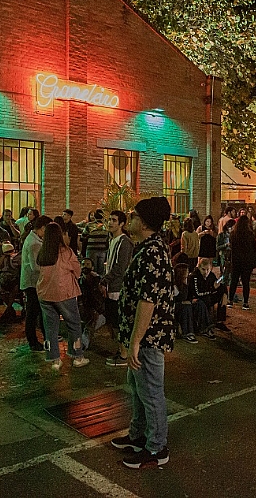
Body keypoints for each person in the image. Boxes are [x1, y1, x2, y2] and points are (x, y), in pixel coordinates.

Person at [110, 197, 173, 469]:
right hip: (142, 336)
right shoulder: (148, 247)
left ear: (144, 222)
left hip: (148, 338)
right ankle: (138, 435)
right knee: (138, 388)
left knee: (151, 392)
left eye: (133, 216)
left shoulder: (151, 253)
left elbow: (148, 301)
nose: (129, 219)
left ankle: (157, 448)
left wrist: (135, 341)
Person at [37, 222, 89, 370]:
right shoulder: (66, 252)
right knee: (73, 324)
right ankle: (77, 356)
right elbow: (77, 271)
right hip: (64, 293)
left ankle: (54, 360)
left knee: (50, 328)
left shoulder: (43, 252)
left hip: (45, 294)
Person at [101, 210, 133, 367]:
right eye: (109, 220)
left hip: (118, 287)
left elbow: (120, 267)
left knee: (119, 322)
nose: (110, 223)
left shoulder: (124, 242)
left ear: (121, 224)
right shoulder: (112, 240)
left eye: (114, 220)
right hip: (111, 286)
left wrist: (106, 279)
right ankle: (121, 351)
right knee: (114, 321)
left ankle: (124, 354)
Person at [20, 215, 52, 352]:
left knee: (37, 312)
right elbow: (35, 267)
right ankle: (33, 341)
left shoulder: (34, 239)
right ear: (42, 228)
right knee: (33, 313)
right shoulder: (34, 243)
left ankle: (45, 338)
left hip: (33, 282)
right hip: (32, 283)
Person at [189, 257, 229, 338]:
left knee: (222, 291)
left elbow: (219, 285)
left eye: (208, 269)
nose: (206, 272)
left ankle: (220, 321)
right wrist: (212, 290)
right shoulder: (194, 276)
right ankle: (207, 327)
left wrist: (224, 294)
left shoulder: (211, 275)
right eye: (203, 269)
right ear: (199, 268)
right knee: (206, 299)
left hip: (207, 296)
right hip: (197, 299)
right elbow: (198, 293)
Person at [228, 215, 256, 310]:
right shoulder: (250, 234)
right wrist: (254, 261)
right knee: (246, 282)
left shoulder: (233, 234)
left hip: (236, 260)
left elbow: (231, 248)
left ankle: (230, 300)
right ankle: (245, 302)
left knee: (234, 281)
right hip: (247, 261)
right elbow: (253, 249)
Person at [84, 210, 109, 275]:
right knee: (101, 270)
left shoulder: (89, 225)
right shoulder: (106, 226)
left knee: (91, 269)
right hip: (103, 250)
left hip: (91, 249)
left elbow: (83, 237)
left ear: (94, 216)